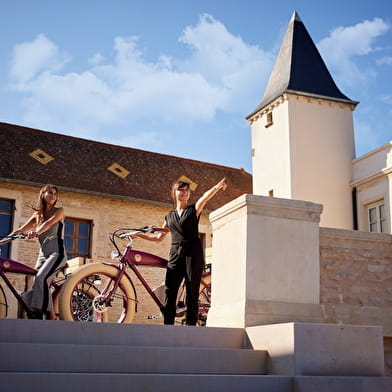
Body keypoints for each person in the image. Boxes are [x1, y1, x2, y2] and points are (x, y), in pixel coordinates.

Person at [138, 177, 227, 325]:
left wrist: (217, 187)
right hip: (175, 255)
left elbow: (205, 197)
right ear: (174, 192)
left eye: (187, 190)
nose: (185, 193)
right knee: (170, 291)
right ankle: (168, 327)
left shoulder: (194, 210)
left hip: (193, 255)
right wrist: (138, 234)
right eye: (181, 189)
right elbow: (159, 237)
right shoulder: (169, 216)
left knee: (192, 293)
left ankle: (190, 329)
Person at [10, 184, 67, 319]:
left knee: (42, 278)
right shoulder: (37, 215)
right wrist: (5, 239)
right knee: (38, 282)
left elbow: (48, 224)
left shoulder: (59, 211)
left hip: (57, 252)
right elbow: (20, 230)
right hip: (43, 254)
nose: (53, 196)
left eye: (55, 194)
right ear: (42, 194)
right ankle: (46, 314)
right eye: (50, 193)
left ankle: (40, 313)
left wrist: (36, 231)